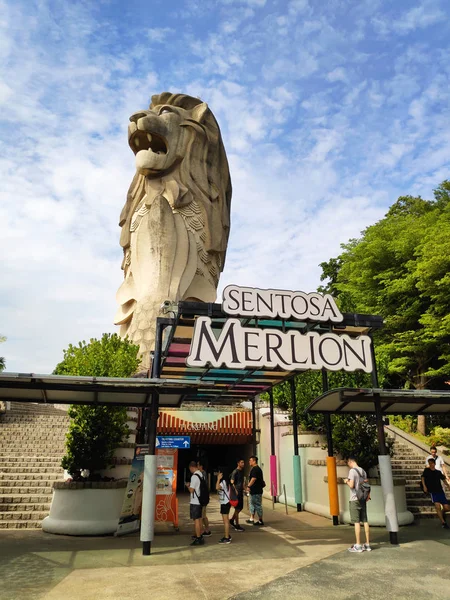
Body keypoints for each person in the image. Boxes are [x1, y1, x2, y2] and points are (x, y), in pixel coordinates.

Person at [344, 456, 371, 552]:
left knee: (356, 522)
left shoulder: (352, 471)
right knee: (365, 520)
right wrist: (368, 496)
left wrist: (346, 481)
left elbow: (351, 485)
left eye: (348, 463)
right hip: (363, 498)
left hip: (355, 499)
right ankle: (367, 544)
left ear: (350, 462)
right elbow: (367, 485)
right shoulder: (363, 471)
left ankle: (358, 545)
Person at [421, 457, 450, 529]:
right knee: (437, 506)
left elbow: (444, 480)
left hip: (440, 491)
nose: (431, 465)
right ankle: (443, 522)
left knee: (447, 508)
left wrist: (448, 486)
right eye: (429, 463)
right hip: (433, 492)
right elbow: (423, 478)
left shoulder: (438, 472)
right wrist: (424, 486)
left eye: (432, 463)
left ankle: (442, 512)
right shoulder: (426, 471)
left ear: (434, 464)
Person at [186, 460, 205, 545]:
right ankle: (200, 535)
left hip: (195, 501)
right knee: (200, 519)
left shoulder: (194, 476)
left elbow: (191, 490)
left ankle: (198, 538)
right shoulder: (201, 474)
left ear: (191, 467)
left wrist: (188, 486)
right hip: (200, 500)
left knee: (196, 520)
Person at [246, 455, 264, 526]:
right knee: (252, 504)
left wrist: (248, 486)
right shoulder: (255, 469)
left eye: (250, 460)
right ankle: (251, 518)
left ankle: (260, 520)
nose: (249, 462)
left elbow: (253, 479)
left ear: (254, 461)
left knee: (257, 505)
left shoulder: (255, 469)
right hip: (253, 491)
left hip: (256, 491)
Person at [216, 470, 232, 544]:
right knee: (225, 520)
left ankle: (227, 538)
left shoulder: (223, 482)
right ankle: (227, 535)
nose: (218, 474)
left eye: (219, 473)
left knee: (225, 521)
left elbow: (217, 487)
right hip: (225, 502)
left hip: (225, 503)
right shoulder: (226, 482)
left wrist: (218, 479)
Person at [197, 458, 212, 537]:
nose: (197, 466)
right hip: (203, 497)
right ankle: (206, 529)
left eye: (198, 465)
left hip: (202, 498)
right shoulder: (202, 473)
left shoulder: (202, 473)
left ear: (201, 466)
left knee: (202, 516)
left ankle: (205, 530)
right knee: (203, 515)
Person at [230, 459, 245, 531]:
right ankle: (237, 525)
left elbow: (241, 482)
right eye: (241, 462)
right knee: (237, 508)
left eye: (243, 462)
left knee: (240, 507)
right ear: (238, 463)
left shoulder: (242, 471)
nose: (243, 464)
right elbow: (232, 482)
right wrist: (235, 490)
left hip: (241, 491)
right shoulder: (235, 472)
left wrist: (244, 488)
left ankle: (232, 520)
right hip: (237, 493)